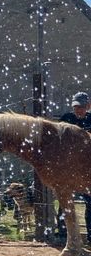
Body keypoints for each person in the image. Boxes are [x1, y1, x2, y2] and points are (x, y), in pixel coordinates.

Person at [56, 91, 91, 245]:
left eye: (82, 107)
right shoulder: (66, 119)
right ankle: (63, 234)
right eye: (76, 107)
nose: (79, 110)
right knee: (65, 199)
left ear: (88, 106)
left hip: (86, 169)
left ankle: (90, 237)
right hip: (68, 168)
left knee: (89, 202)